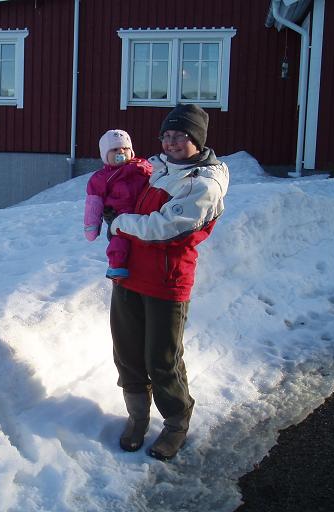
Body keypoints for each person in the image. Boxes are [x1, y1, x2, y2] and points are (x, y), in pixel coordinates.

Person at [103, 104, 229, 460]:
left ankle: (176, 423)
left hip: (166, 283)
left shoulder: (203, 184)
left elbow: (164, 229)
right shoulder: (158, 168)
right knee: (127, 353)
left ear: (197, 140)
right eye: (167, 135)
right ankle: (138, 417)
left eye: (180, 136)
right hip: (128, 277)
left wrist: (119, 223)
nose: (171, 142)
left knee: (162, 360)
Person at [84, 129, 152, 279]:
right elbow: (94, 203)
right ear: (105, 155)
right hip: (121, 214)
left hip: (144, 211)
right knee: (120, 240)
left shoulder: (142, 167)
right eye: (114, 149)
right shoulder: (102, 178)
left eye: (125, 148)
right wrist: (91, 226)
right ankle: (117, 265)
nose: (121, 151)